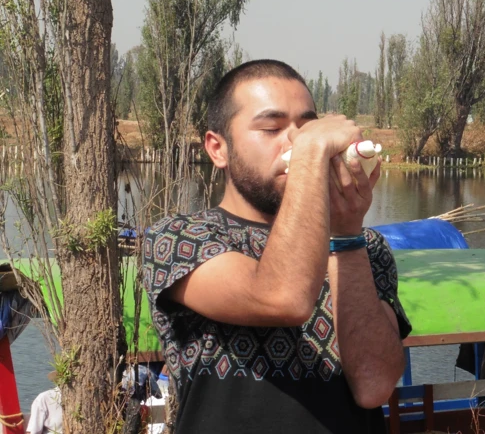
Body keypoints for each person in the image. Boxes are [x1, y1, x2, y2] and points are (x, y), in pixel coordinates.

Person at [142, 60, 411, 434]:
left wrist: (346, 235)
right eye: (271, 128)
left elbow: (374, 386)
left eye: (308, 128)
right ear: (218, 149)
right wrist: (312, 151)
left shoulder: (364, 247)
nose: (295, 141)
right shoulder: (179, 238)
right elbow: (284, 298)